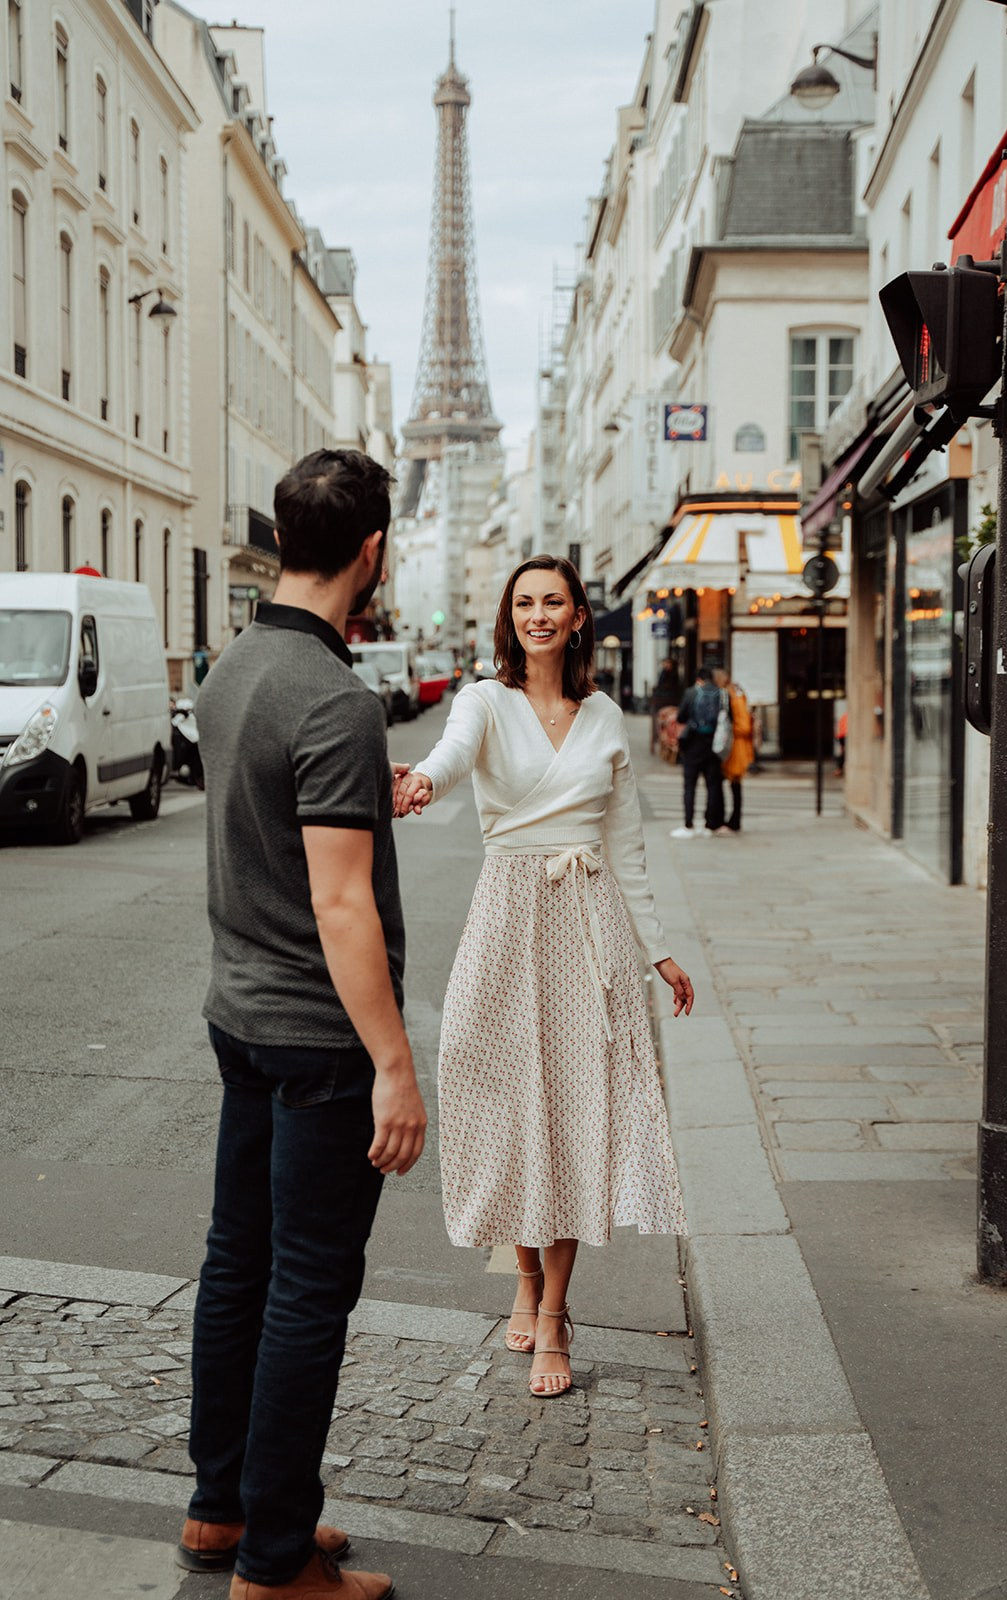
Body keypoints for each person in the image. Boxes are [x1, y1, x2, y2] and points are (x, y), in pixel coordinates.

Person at [181, 449, 426, 1600]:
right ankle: (278, 1563)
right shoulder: (332, 696)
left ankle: (221, 1508)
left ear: (284, 538)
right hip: (319, 1042)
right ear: (371, 552)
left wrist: (375, 797)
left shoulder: (232, 666)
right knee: (305, 1288)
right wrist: (393, 1062)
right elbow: (337, 901)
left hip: (239, 1016)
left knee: (238, 1264)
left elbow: (274, 835)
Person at [395, 557, 692, 1400]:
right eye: (523, 602)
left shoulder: (603, 717)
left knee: (571, 1111)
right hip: (505, 917)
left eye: (551, 601)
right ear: (509, 617)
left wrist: (656, 950)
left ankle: (555, 1314)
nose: (537, 614)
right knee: (500, 1098)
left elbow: (625, 844)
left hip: (586, 920)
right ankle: (523, 1275)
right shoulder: (484, 701)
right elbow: (450, 757)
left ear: (575, 616)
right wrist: (417, 781)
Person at [670, 665, 730, 838]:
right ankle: (709, 824)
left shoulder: (691, 693)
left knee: (690, 786)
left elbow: (681, 717)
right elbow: (728, 719)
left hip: (693, 745)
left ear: (699, 679)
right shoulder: (722, 694)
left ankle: (688, 824)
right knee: (713, 785)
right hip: (714, 745)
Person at [716, 667, 754, 832]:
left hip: (736, 745)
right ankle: (732, 819)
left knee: (734, 783)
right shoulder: (735, 693)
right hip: (736, 745)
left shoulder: (733, 695)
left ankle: (734, 819)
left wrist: (730, 729)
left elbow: (744, 725)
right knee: (733, 784)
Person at [649, 656, 681, 752]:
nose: (665, 665)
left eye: (667, 663)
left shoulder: (673, 674)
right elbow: (660, 685)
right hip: (661, 701)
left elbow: (672, 686)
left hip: (670, 700)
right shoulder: (663, 673)